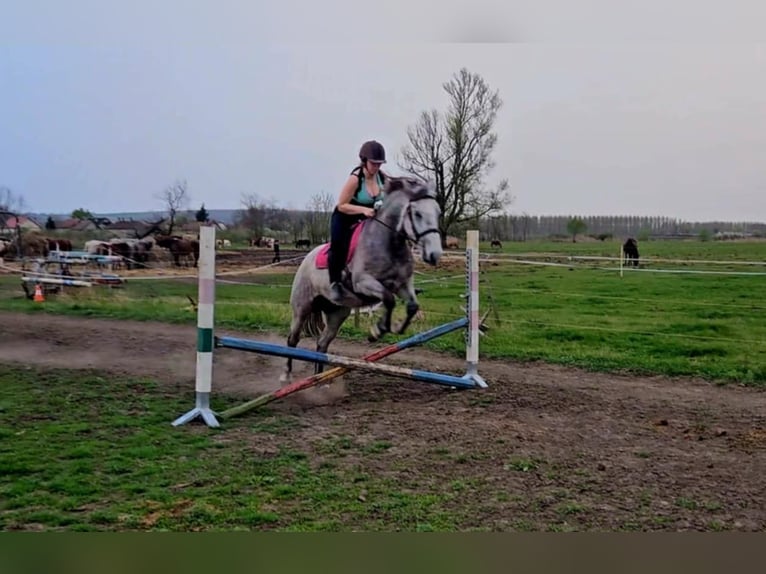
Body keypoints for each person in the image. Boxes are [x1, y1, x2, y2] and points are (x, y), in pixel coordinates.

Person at [327, 139, 388, 303]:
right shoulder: (355, 178)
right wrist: (363, 210)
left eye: (379, 164)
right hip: (345, 217)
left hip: (368, 218)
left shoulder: (381, 178)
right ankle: (335, 283)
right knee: (339, 246)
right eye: (374, 163)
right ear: (364, 161)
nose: (376, 167)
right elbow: (341, 205)